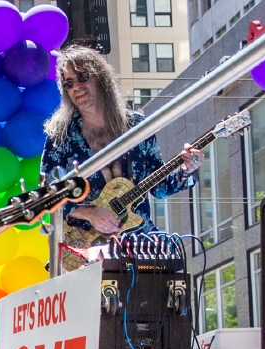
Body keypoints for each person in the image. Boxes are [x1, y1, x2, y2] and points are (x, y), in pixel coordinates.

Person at [40, 46, 201, 243]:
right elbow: (47, 196)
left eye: (83, 77)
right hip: (83, 247)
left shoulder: (137, 127)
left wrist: (186, 170)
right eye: (69, 83)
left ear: (101, 78)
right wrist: (90, 213)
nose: (76, 87)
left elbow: (160, 188)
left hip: (138, 243)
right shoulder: (60, 135)